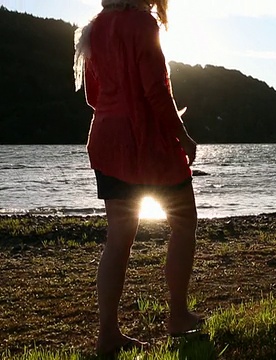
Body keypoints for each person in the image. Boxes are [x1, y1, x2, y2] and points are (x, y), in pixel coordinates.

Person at [74, 0, 202, 355]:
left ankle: (108, 334)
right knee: (184, 222)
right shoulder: (144, 24)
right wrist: (184, 136)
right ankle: (177, 316)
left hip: (106, 141)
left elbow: (92, 96)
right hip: (146, 143)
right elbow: (156, 93)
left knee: (118, 239)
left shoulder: (94, 28)